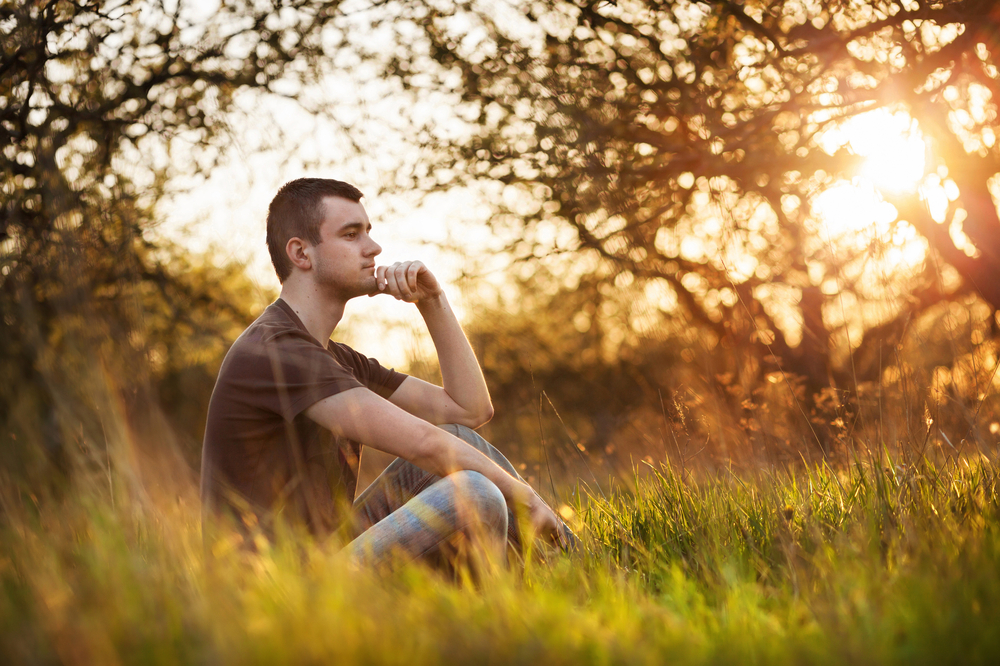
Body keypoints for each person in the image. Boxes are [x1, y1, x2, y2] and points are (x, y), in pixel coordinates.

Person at [200, 177, 571, 568]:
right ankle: (521, 608)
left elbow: (469, 411)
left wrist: (432, 300)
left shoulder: (333, 357)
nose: (373, 248)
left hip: (328, 556)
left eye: (368, 233)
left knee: (462, 441)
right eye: (351, 234)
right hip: (275, 592)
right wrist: (525, 498)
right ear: (301, 254)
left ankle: (587, 571)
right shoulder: (274, 351)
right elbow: (423, 444)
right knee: (477, 491)